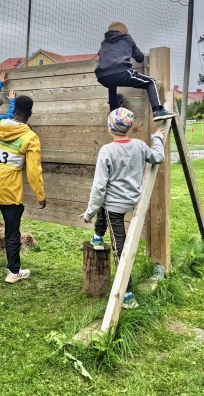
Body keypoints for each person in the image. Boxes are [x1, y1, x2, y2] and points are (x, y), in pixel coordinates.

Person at [81, 107, 165, 309]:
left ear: (110, 127)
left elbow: (99, 187)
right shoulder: (139, 145)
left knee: (120, 248)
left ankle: (127, 293)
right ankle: (98, 237)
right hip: (132, 200)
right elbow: (158, 158)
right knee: (105, 204)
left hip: (115, 207)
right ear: (128, 127)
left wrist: (89, 213)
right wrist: (158, 139)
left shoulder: (107, 151)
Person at [0, 95, 46, 284]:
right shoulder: (30, 137)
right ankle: (13, 272)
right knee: (12, 231)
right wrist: (40, 194)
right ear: (29, 114)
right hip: (10, 192)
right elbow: (33, 171)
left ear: (14, 111)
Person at [95, 21, 175, 121]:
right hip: (121, 72)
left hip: (102, 76)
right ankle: (158, 110)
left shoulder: (104, 43)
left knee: (111, 84)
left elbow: (101, 56)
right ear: (125, 32)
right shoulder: (127, 38)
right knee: (150, 82)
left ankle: (113, 110)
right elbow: (140, 58)